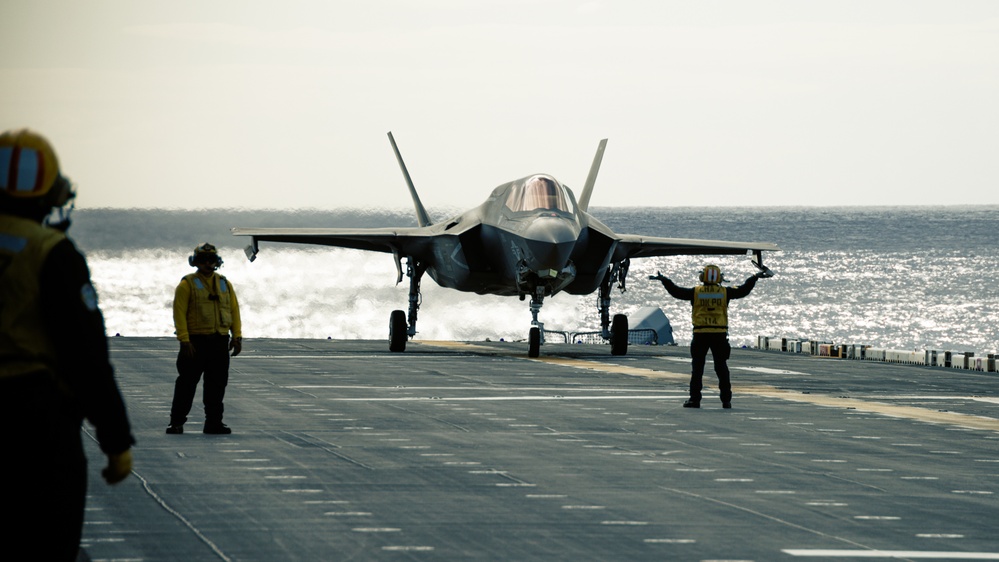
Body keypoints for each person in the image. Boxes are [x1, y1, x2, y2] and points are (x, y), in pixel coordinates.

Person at [0, 128, 135, 561]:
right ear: (50, 194)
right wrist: (116, 439)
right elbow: (86, 355)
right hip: (35, 423)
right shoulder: (51, 252)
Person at [650, 264, 769, 409]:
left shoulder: (696, 292)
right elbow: (744, 290)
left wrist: (664, 280)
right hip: (719, 335)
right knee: (721, 368)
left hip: (700, 334)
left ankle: (695, 400)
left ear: (702, 277)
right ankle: (726, 400)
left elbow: (677, 292)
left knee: (697, 369)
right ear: (719, 278)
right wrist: (754, 277)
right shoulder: (725, 292)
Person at [167, 242, 242, 435]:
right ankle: (176, 422)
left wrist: (237, 336)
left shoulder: (225, 284)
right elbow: (179, 313)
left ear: (217, 262)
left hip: (219, 342)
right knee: (186, 384)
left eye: (211, 260)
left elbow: (234, 310)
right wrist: (184, 340)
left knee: (216, 386)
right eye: (203, 260)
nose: (208, 264)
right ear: (195, 262)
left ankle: (214, 423)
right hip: (195, 343)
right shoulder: (187, 285)